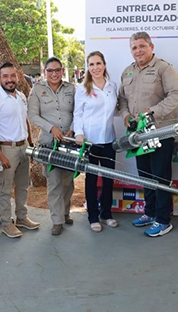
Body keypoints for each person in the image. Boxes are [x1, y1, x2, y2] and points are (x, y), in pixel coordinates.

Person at [118, 32, 178, 237]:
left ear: (151, 47)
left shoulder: (164, 68)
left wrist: (152, 112)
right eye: (134, 47)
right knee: (145, 174)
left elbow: (177, 96)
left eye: (141, 46)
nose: (138, 50)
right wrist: (126, 115)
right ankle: (150, 212)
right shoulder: (127, 72)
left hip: (159, 132)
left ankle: (164, 220)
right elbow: (121, 100)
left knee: (160, 176)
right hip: (138, 134)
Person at [0, 62, 39, 238]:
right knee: (4, 189)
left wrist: (30, 144)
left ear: (17, 77)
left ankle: (22, 217)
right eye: (5, 76)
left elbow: (25, 121)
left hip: (24, 148)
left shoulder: (21, 96)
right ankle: (7, 223)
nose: (9, 79)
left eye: (12, 76)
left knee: (23, 186)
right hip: (6, 149)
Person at [28, 57, 75, 236]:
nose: (54, 74)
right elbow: (32, 115)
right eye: (50, 70)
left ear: (62, 71)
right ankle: (57, 220)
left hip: (70, 143)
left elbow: (79, 112)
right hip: (49, 143)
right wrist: (51, 128)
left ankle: (65, 213)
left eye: (57, 70)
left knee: (68, 181)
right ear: (44, 72)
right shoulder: (37, 90)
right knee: (54, 181)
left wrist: (72, 129)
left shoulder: (71, 89)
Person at [73, 51, 118, 233]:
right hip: (90, 142)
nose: (95, 68)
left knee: (108, 179)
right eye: (91, 64)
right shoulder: (82, 89)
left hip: (109, 140)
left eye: (98, 63)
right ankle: (93, 216)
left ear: (104, 65)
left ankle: (106, 214)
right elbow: (78, 114)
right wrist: (79, 133)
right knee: (91, 180)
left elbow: (116, 109)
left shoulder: (112, 86)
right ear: (88, 68)